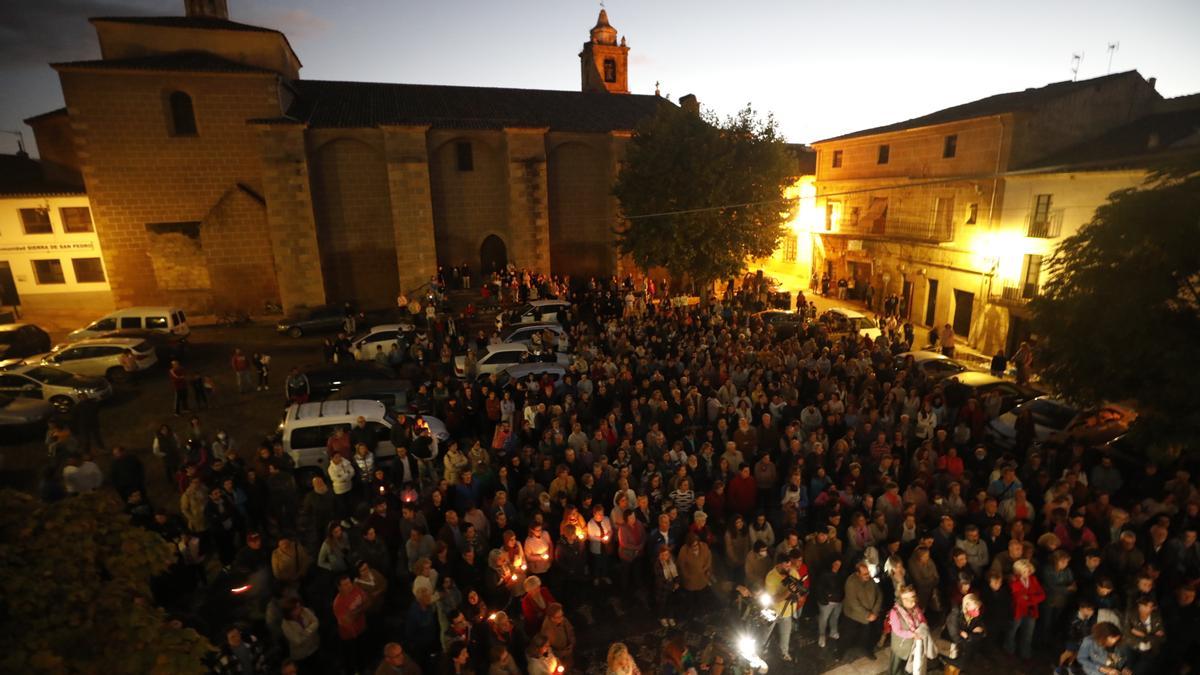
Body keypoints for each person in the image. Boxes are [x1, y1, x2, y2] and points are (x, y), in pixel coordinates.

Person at [764, 549, 808, 661]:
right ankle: (763, 650)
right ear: (779, 565)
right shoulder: (770, 577)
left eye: (789, 566)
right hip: (773, 611)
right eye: (786, 567)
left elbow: (798, 588)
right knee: (766, 632)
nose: (789, 569)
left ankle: (784, 652)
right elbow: (775, 599)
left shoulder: (792, 572)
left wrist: (799, 594)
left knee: (786, 634)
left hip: (788, 610)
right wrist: (788, 591)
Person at [887, 585, 934, 675]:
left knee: (908, 666)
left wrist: (923, 627)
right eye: (908, 600)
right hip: (900, 647)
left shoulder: (915, 608)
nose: (912, 603)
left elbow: (922, 619)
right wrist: (913, 634)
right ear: (902, 600)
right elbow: (898, 630)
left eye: (913, 599)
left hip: (912, 646)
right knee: (896, 667)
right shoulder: (895, 612)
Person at [1005, 558, 1046, 660]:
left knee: (1028, 634)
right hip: (1018, 611)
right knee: (1012, 632)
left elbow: (1042, 595)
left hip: (1031, 611)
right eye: (1024, 571)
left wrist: (1029, 598)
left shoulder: (1033, 579)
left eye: (1028, 570)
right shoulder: (1014, 581)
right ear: (1018, 571)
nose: (1027, 573)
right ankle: (1009, 651)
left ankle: (1025, 654)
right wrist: (1033, 598)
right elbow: (1019, 599)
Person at [843, 560, 883, 661]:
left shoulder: (870, 579)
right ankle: (845, 653)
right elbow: (853, 602)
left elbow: (879, 594)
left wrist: (874, 611)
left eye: (868, 573)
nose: (868, 576)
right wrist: (868, 614)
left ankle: (867, 650)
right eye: (865, 574)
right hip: (854, 615)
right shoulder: (851, 582)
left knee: (868, 635)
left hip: (870, 614)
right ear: (857, 573)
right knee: (849, 635)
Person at [943, 593, 985, 675]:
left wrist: (968, 636)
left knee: (957, 670)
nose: (977, 611)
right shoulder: (955, 616)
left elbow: (981, 632)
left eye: (978, 608)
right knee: (950, 670)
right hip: (954, 650)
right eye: (975, 608)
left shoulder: (975, 616)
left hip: (964, 652)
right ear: (966, 606)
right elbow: (955, 637)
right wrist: (972, 637)